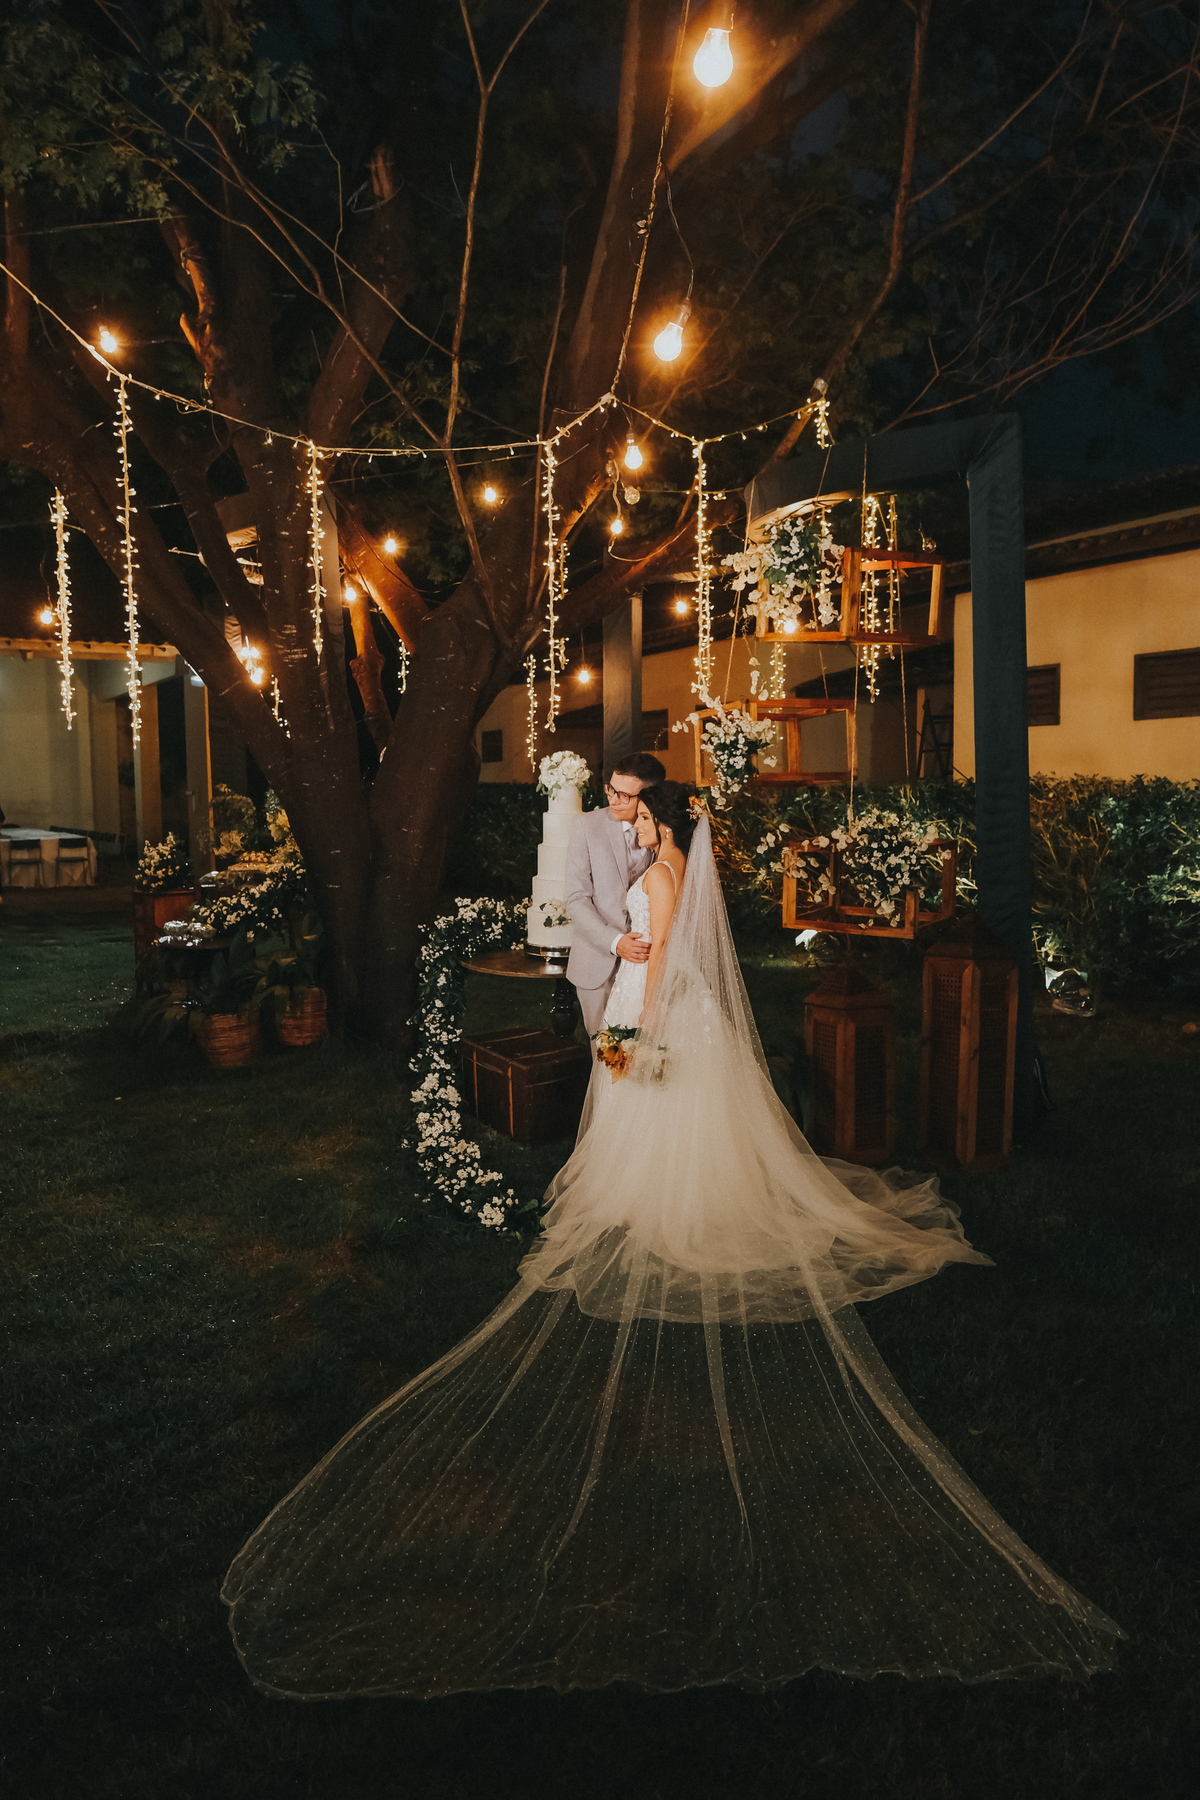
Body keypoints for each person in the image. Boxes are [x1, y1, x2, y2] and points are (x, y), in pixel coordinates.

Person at [223, 784, 1122, 1700]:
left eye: (641, 813)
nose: (634, 824)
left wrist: (632, 1037)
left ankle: (653, 1199)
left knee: (642, 1116)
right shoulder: (673, 866)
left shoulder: (662, 873)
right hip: (657, 1000)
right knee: (643, 1118)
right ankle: (639, 1185)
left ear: (658, 816)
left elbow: (659, 970)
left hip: (651, 1012)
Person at [563, 751, 665, 1037]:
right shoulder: (586, 826)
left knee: (648, 1052)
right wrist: (616, 941)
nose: (613, 799)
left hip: (647, 968)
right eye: (610, 789)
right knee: (604, 1054)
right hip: (596, 965)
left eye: (624, 795)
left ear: (649, 796)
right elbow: (575, 899)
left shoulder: (665, 832)